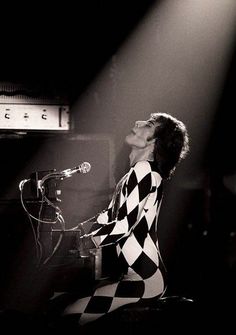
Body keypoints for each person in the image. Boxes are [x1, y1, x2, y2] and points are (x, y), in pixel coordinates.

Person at [47, 112, 189, 328]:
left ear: (154, 142)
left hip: (144, 279)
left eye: (149, 124)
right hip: (141, 275)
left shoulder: (143, 171)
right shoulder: (138, 172)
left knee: (69, 314)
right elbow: (108, 216)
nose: (137, 122)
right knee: (65, 300)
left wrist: (83, 242)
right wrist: (75, 232)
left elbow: (123, 225)